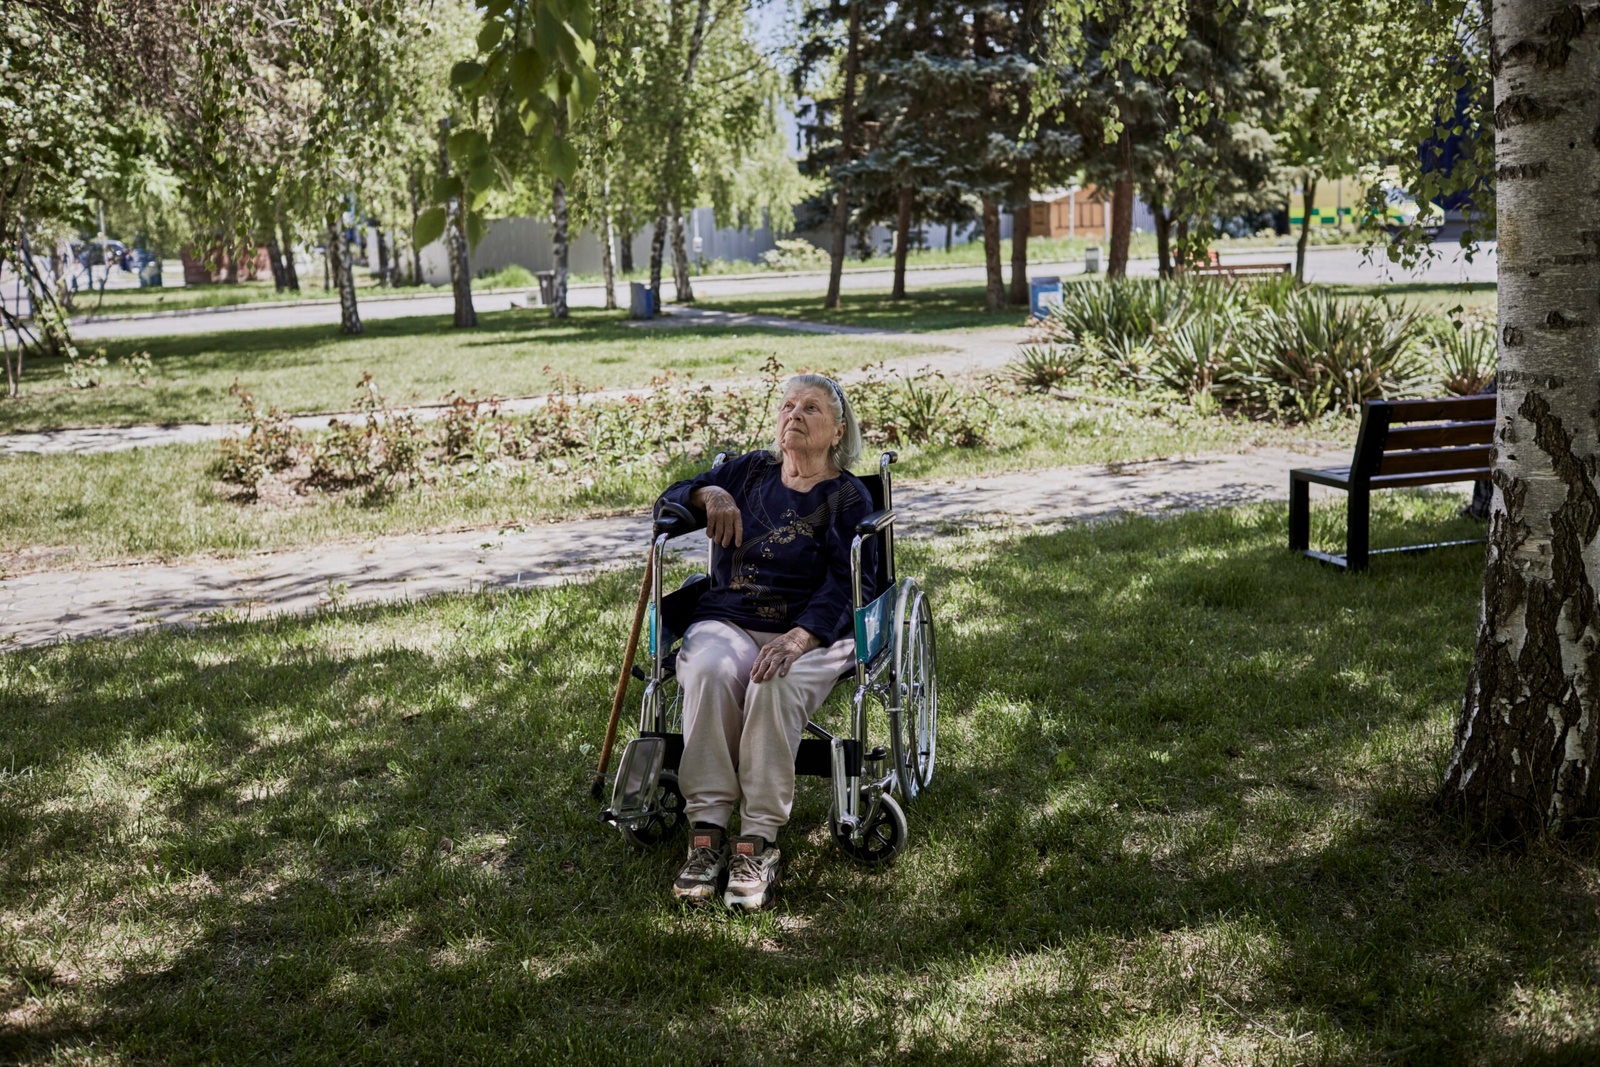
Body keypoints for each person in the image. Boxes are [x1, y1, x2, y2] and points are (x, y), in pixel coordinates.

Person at [654, 374, 877, 910]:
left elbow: (854, 583)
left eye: (812, 408)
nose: (794, 415)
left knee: (773, 683)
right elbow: (668, 499)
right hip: (729, 619)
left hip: (814, 629)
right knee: (706, 668)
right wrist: (711, 492)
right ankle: (706, 832)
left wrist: (801, 636)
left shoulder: (847, 496)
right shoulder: (750, 471)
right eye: (787, 405)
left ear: (838, 430)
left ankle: (758, 841)